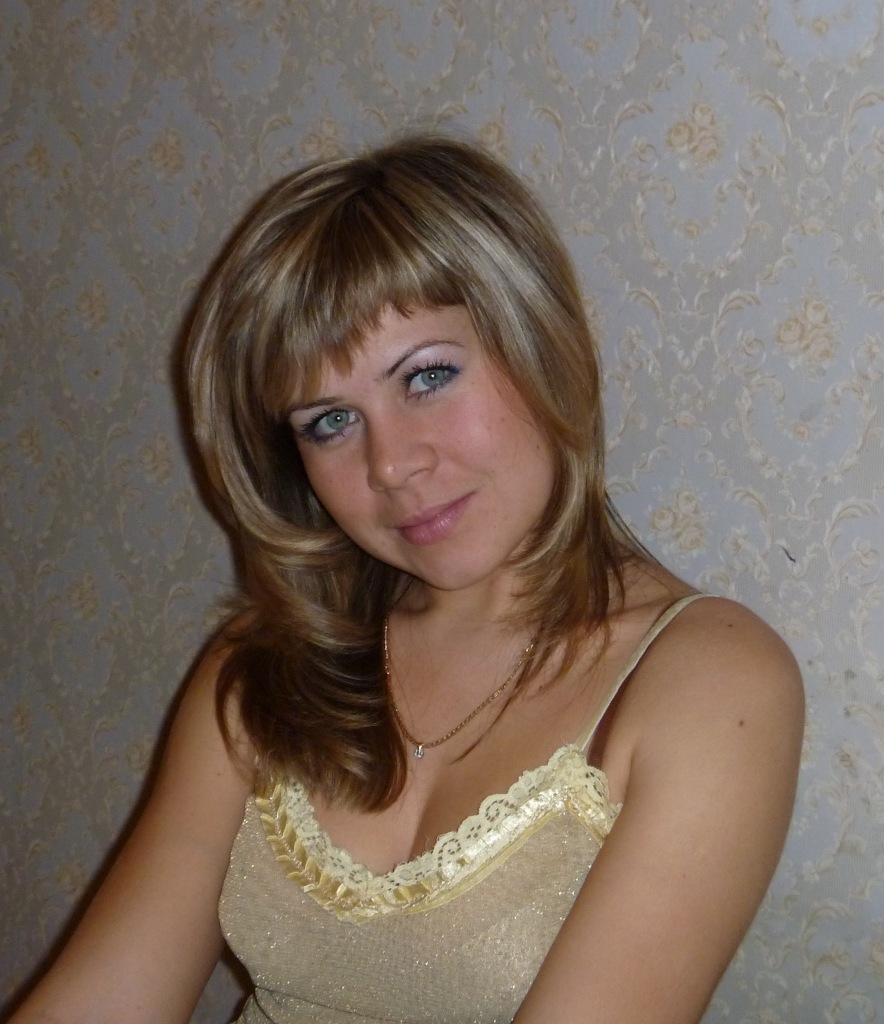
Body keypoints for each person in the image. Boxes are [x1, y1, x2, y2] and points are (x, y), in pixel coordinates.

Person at [9, 133, 804, 1024]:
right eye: (329, 421)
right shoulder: (262, 667)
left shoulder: (708, 682)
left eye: (427, 376)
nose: (390, 463)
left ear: (540, 341)